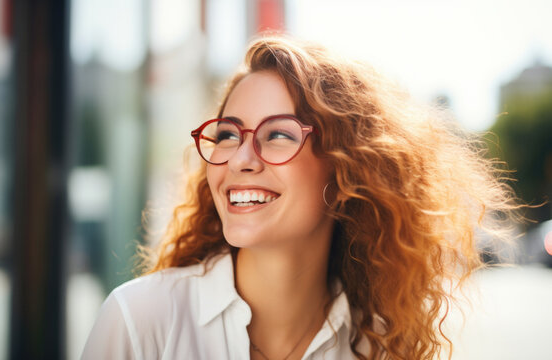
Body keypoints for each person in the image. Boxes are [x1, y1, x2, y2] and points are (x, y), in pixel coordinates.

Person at [81, 34, 520, 360]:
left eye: (277, 135)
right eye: (229, 135)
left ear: (347, 169)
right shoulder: (140, 322)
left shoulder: (378, 347)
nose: (241, 159)